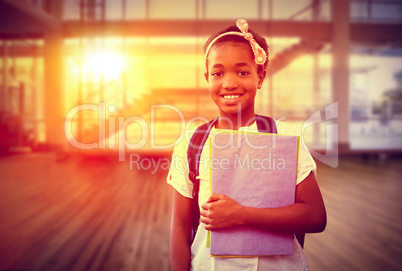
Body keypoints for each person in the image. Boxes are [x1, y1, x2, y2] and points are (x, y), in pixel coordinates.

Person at [167, 19, 327, 271]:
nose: (229, 83)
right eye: (218, 73)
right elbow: (179, 225)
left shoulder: (284, 137)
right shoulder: (192, 143)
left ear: (260, 76)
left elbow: (315, 217)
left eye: (242, 72)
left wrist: (239, 214)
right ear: (207, 78)